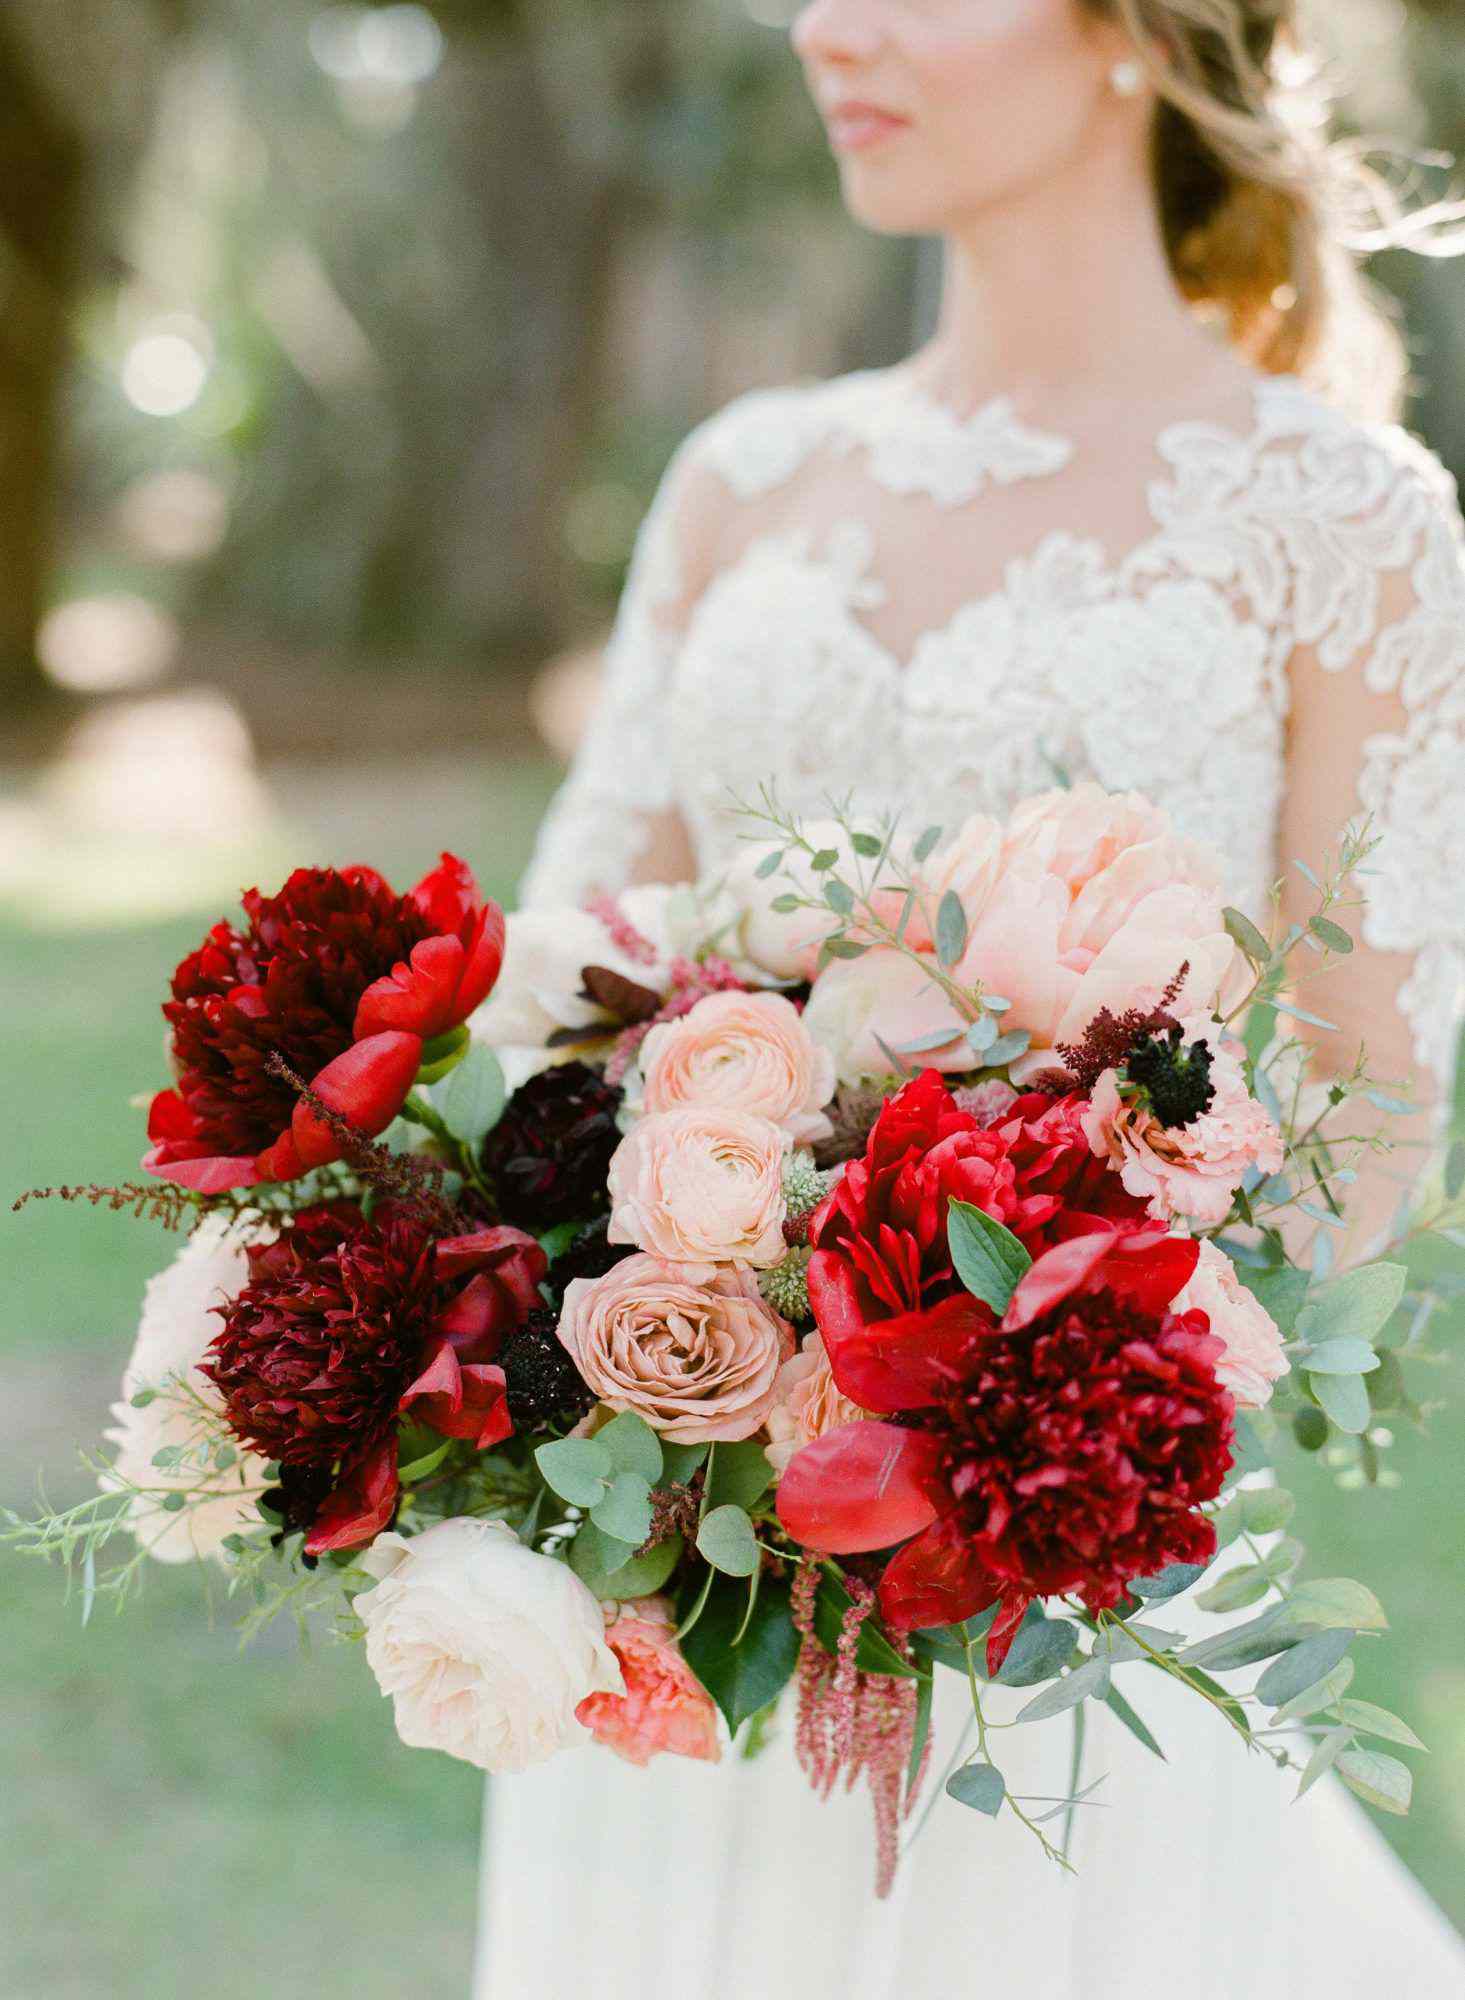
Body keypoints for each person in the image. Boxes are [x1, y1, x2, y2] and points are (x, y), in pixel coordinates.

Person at [475, 3, 1465, 1993]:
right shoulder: (740, 479)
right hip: (674, 1576)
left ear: (1135, 30)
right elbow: (547, 994)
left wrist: (1019, 1370)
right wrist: (711, 1329)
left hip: (1045, 1589)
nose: (827, 26)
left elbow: (1365, 1103)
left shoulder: (1344, 522)